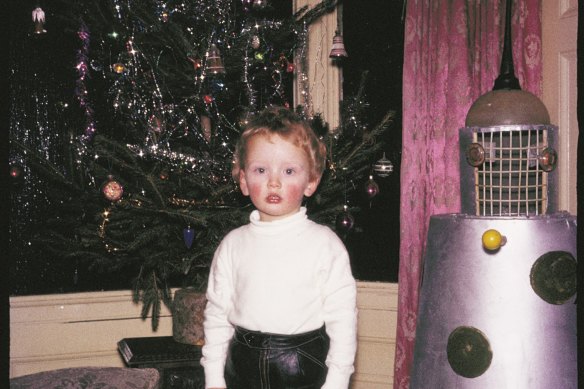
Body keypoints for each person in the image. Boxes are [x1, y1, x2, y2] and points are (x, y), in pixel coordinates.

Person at [200, 106, 358, 389]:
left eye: (288, 170)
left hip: (302, 366)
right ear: (244, 181)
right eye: (260, 170)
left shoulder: (325, 245)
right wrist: (214, 379)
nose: (274, 181)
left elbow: (343, 320)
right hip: (241, 365)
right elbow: (217, 314)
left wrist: (337, 381)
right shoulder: (232, 245)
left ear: (310, 182)